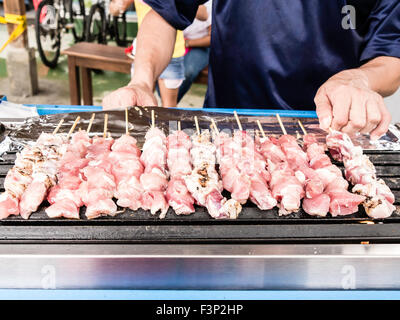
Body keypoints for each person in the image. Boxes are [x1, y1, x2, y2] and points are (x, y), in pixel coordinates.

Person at [103, 1, 400, 140]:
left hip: (332, 131)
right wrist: (141, 80)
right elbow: (165, 14)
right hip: (226, 126)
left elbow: (390, 56)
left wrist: (359, 78)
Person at [109, 0, 186, 107]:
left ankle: (171, 125)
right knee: (142, 104)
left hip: (174, 52)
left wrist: (185, 8)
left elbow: (203, 14)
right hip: (142, 52)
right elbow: (114, 9)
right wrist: (118, 6)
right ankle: (148, 124)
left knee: (169, 106)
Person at [177, 1, 212, 103]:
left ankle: (169, 105)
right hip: (175, 43)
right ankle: (166, 105)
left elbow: (213, 37)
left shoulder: (209, 4)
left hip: (200, 45)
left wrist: (187, 43)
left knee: (188, 71)